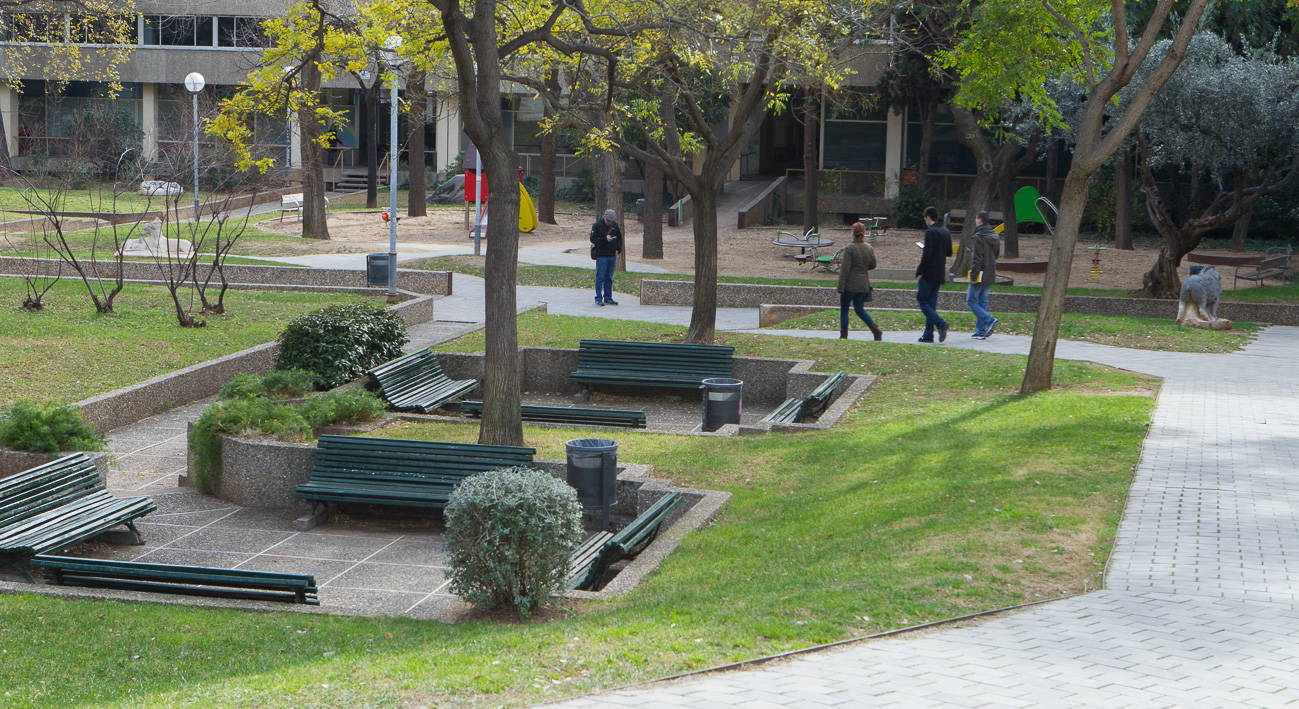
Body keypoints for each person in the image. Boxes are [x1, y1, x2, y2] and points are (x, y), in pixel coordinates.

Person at [838, 221, 883, 341]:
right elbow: (873, 264)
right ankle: (876, 330)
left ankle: (843, 335)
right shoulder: (869, 248)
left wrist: (840, 287)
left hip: (850, 285)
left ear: (853, 233)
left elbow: (844, 270)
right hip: (863, 284)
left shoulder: (849, 248)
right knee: (860, 309)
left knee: (844, 310)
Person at [915, 206, 953, 343]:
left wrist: (920, 270)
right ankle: (928, 334)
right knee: (931, 304)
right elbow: (949, 252)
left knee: (922, 300)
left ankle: (940, 323)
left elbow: (927, 254)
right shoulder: (945, 231)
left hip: (929, 272)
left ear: (928, 217)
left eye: (925, 218)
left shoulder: (931, 232)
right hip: (940, 272)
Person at [967, 211, 1001, 339]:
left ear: (980, 220)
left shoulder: (978, 236)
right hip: (990, 270)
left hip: (980, 272)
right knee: (982, 301)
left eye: (976, 219)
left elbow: (978, 259)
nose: (976, 221)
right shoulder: (995, 235)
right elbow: (995, 254)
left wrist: (973, 276)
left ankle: (989, 320)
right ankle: (981, 330)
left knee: (970, 301)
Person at [590, 208, 623, 305]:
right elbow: (593, 239)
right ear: (604, 217)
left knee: (609, 277)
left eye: (611, 221)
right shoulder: (597, 226)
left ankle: (608, 297)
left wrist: (618, 249)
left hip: (612, 255)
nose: (609, 223)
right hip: (602, 255)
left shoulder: (615, 226)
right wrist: (605, 239)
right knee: (600, 277)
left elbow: (619, 238)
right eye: (608, 220)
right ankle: (598, 298)